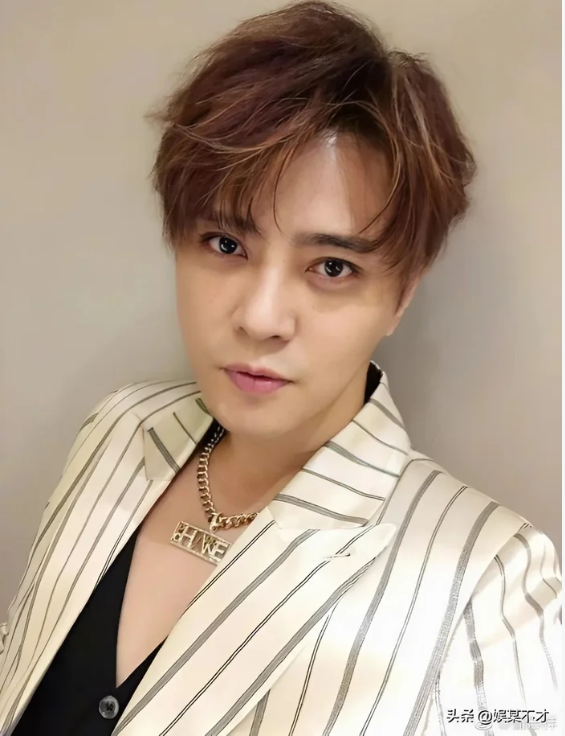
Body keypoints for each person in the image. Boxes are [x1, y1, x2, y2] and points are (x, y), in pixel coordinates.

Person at [0, 1, 561, 734]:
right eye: (226, 244)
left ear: (401, 294)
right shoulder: (121, 428)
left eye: (331, 266)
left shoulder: (489, 583)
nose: (261, 317)